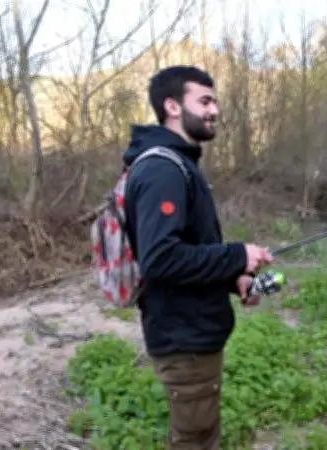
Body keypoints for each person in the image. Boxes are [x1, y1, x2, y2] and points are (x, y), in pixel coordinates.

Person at [122, 65, 273, 450]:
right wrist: (237, 254)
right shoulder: (162, 170)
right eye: (204, 101)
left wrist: (233, 277)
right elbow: (161, 259)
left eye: (214, 102)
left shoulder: (179, 163)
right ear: (172, 106)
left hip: (192, 332)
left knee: (201, 435)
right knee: (194, 441)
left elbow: (190, 247)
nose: (215, 111)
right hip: (183, 338)